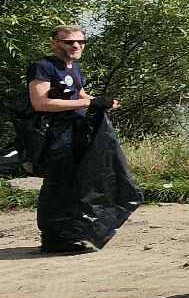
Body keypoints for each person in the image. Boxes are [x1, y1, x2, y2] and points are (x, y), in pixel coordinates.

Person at [26, 25, 120, 253]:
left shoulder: (73, 68)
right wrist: (88, 103)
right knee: (57, 183)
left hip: (74, 131)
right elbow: (41, 103)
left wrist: (101, 100)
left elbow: (79, 95)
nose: (76, 46)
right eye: (69, 42)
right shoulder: (43, 67)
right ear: (54, 43)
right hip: (53, 135)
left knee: (75, 182)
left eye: (80, 42)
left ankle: (68, 232)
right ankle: (51, 237)